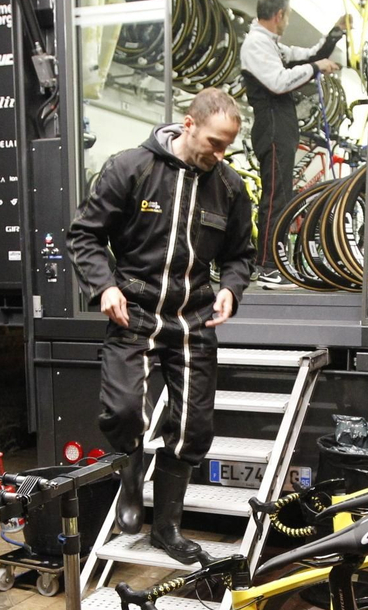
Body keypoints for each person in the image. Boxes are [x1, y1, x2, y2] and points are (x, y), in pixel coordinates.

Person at [67, 88, 254, 566]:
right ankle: (131, 475)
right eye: (215, 142)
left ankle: (166, 527)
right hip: (135, 311)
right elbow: (85, 235)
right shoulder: (131, 168)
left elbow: (239, 255)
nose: (221, 153)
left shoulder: (230, 187)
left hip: (194, 319)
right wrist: (104, 287)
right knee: (125, 410)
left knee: (194, 427)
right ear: (188, 125)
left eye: (228, 145)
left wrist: (232, 287)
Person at [240, 0, 348, 287]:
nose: (287, 21)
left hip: (281, 126)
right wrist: (315, 68)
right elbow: (277, 82)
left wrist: (334, 34)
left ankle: (273, 262)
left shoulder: (271, 44)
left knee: (283, 197)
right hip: (272, 124)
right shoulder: (256, 45)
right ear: (279, 16)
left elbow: (309, 55)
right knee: (275, 198)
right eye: (288, 16)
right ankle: (267, 266)